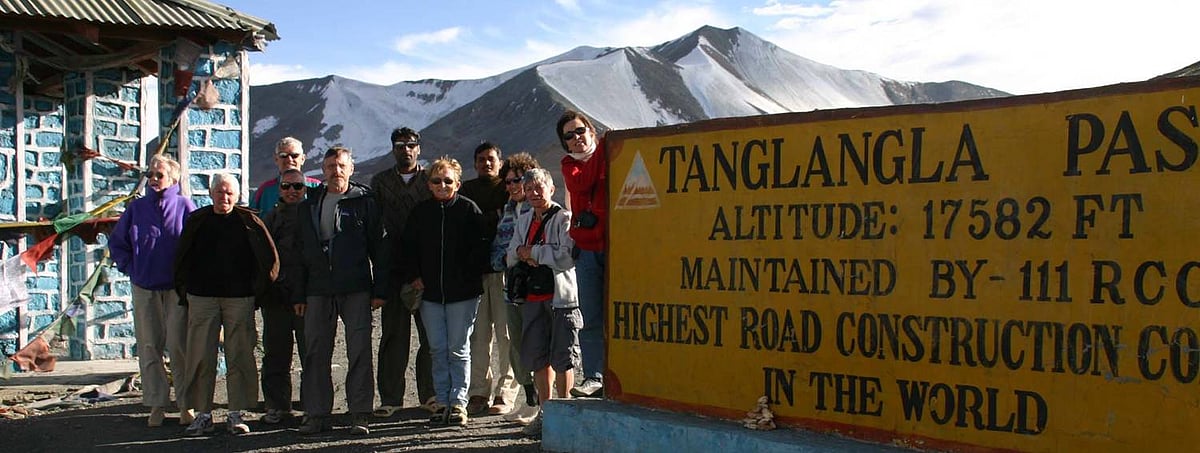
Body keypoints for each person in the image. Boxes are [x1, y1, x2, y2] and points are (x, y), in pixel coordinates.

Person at [295, 147, 390, 435]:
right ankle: (316, 414)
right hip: (318, 288)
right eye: (330, 166)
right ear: (322, 170)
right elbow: (300, 252)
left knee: (359, 349)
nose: (335, 170)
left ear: (351, 168)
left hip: (356, 287)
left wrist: (379, 289)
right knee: (315, 352)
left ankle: (360, 413)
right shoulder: (309, 204)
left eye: (340, 165)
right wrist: (298, 294)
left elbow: (380, 247)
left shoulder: (365, 202)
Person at [174, 173, 279, 436]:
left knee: (241, 355)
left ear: (237, 194)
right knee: (199, 356)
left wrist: (258, 293)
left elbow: (269, 259)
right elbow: (182, 257)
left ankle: (236, 413)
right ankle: (202, 413)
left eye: (230, 192)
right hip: (202, 297)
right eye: (220, 192)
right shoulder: (198, 220)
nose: (225, 197)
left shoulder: (249, 222)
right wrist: (185, 290)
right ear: (211, 194)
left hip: (240, 298)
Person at [399, 157, 490, 427]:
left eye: (448, 181)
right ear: (429, 184)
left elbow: (481, 249)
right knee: (437, 348)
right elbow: (408, 248)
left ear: (458, 184)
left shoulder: (469, 210)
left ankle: (458, 403)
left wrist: (467, 276)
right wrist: (414, 276)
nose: (442, 185)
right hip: (429, 294)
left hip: (463, 294)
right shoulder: (420, 213)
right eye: (437, 181)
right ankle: (442, 401)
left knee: (458, 348)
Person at [108, 154, 196, 427]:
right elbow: (118, 243)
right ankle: (156, 404)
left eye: (159, 175)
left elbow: (197, 245)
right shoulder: (137, 208)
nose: (154, 179)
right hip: (144, 287)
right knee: (149, 347)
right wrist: (131, 269)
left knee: (180, 347)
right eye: (151, 175)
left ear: (173, 178)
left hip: (176, 290)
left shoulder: (184, 206)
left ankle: (186, 404)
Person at [506, 168, 580, 438]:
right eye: (529, 189)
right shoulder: (524, 220)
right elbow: (511, 254)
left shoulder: (563, 218)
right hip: (532, 298)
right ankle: (545, 412)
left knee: (563, 356)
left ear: (552, 189)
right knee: (538, 358)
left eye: (540, 187)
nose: (535, 193)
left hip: (560, 298)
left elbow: (566, 256)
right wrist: (526, 254)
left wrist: (533, 252)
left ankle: (566, 412)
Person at [370, 127, 436, 418]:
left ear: (418, 149)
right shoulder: (381, 182)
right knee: (394, 336)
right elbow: (374, 225)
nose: (406, 150)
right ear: (393, 149)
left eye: (411, 145)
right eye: (400, 145)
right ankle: (391, 398)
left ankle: (430, 394)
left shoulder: (431, 179)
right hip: (394, 267)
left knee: (430, 336)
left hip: (427, 268)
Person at [458, 142, 516, 416]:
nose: (486, 164)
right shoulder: (466, 190)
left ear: (499, 161)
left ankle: (505, 392)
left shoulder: (509, 188)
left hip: (505, 271)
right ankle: (478, 391)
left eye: (490, 159)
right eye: (480, 159)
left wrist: (487, 221)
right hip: (476, 272)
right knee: (478, 336)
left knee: (507, 335)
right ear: (475, 163)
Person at [557, 110, 607, 398]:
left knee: (621, 313)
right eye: (569, 136)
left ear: (591, 131)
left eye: (579, 131)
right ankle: (594, 376)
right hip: (587, 250)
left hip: (616, 246)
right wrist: (603, 150)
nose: (576, 139)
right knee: (590, 315)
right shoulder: (569, 166)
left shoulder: (613, 157)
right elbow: (582, 183)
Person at [490, 152, 542, 424]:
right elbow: (500, 245)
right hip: (513, 286)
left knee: (538, 342)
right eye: (508, 182)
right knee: (517, 344)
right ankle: (529, 399)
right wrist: (507, 258)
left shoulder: (542, 211)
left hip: (539, 287)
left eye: (517, 180)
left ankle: (543, 404)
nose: (512, 186)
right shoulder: (509, 210)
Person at [259, 169, 309, 424]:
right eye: (287, 186)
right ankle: (277, 406)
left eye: (297, 187)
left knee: (310, 353)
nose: (292, 191)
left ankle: (313, 406)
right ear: (279, 189)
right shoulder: (270, 219)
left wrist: (304, 293)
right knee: (276, 354)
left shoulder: (312, 219)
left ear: (305, 189)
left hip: (307, 298)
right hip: (276, 298)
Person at [251, 137, 320, 215]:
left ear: (303, 159)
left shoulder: (317, 187)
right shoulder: (265, 190)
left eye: (295, 155)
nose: (289, 159)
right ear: (276, 159)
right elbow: (251, 219)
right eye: (283, 155)